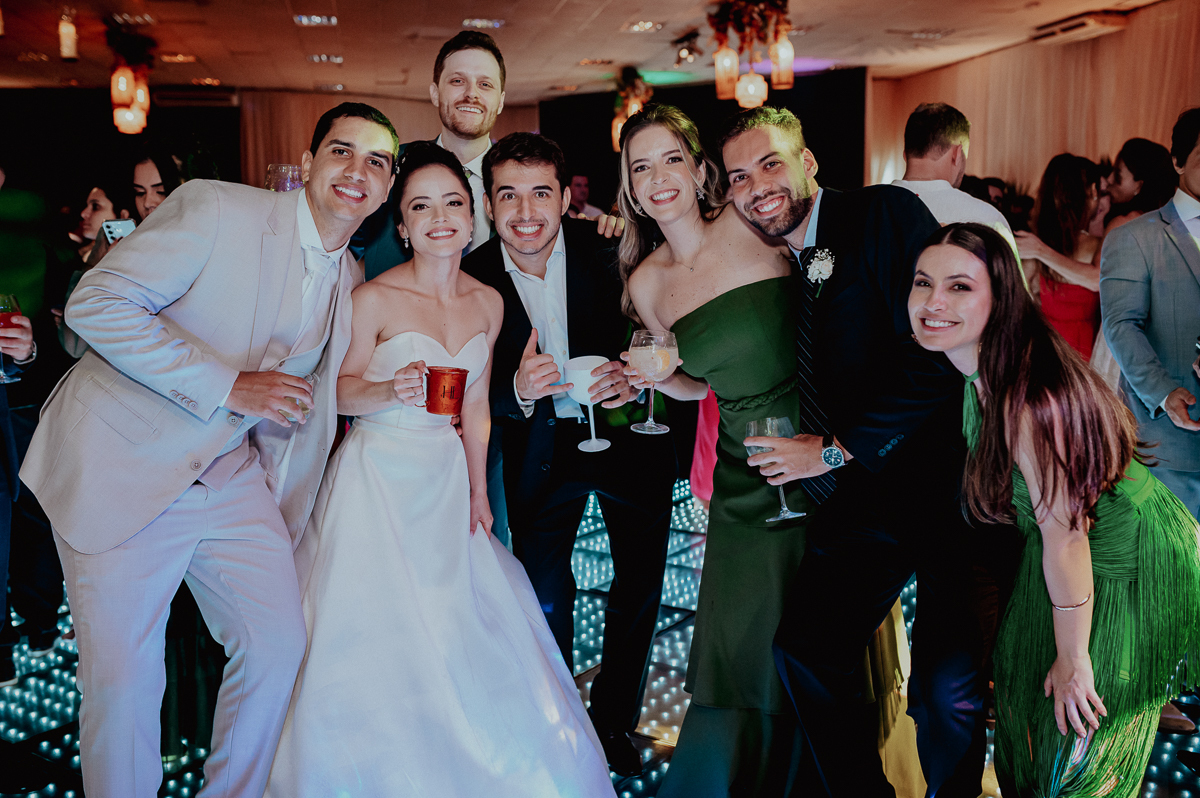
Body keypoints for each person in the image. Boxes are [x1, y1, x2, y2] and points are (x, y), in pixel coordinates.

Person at [20, 102, 398, 798]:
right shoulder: (218, 209)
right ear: (308, 164)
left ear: (386, 188)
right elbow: (96, 304)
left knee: (278, 644)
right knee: (126, 685)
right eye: (343, 151)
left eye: (378, 161)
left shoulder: (347, 279)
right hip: (121, 464)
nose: (359, 170)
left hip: (228, 476)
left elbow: (303, 409)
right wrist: (230, 385)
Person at [266, 141, 615, 797]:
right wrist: (388, 390)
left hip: (446, 478)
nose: (439, 218)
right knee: (378, 631)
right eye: (420, 206)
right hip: (376, 477)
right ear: (402, 224)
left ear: (472, 214)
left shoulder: (488, 302)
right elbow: (335, 393)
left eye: (451, 202)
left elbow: (478, 405)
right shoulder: (371, 298)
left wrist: (479, 490)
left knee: (460, 623)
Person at [717, 106, 1015, 798]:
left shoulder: (884, 215)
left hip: (952, 488)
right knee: (806, 652)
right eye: (738, 176)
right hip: (866, 500)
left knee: (947, 696)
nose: (758, 185)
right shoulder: (793, 253)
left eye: (770, 163)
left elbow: (934, 356)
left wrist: (829, 451)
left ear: (808, 162)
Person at [909, 221, 1200, 797]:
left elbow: (1065, 534)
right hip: (1071, 548)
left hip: (1124, 557)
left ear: (1002, 296)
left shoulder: (1029, 395)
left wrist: (1074, 658)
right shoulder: (979, 367)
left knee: (1075, 736)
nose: (933, 301)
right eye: (922, 282)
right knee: (1024, 700)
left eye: (959, 287)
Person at [461, 132, 673, 778]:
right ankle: (558, 722)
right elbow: (466, 383)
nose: (526, 212)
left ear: (564, 198)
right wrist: (512, 391)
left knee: (640, 585)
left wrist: (630, 373)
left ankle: (613, 723)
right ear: (489, 203)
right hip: (538, 454)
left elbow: (655, 329)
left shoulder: (613, 252)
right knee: (547, 593)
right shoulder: (470, 277)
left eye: (540, 194)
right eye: (509, 196)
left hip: (624, 442)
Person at [1101, 107, 1200, 521]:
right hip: (1174, 444)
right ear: (1177, 162)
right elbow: (1121, 325)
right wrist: (1163, 391)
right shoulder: (1134, 238)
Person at [354, 31, 507, 281]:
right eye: (458, 81)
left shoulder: (523, 179)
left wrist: (594, 231)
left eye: (485, 84)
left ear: (500, 102)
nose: (472, 94)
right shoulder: (385, 166)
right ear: (435, 93)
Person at [890, 102, 1018, 257]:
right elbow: (1009, 280)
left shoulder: (863, 209)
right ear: (957, 154)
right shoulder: (987, 219)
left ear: (905, 154)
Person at [1015, 154, 1104, 360]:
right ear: (1092, 191)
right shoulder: (1097, 246)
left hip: (1043, 353)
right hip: (1082, 357)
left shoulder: (1033, 249)